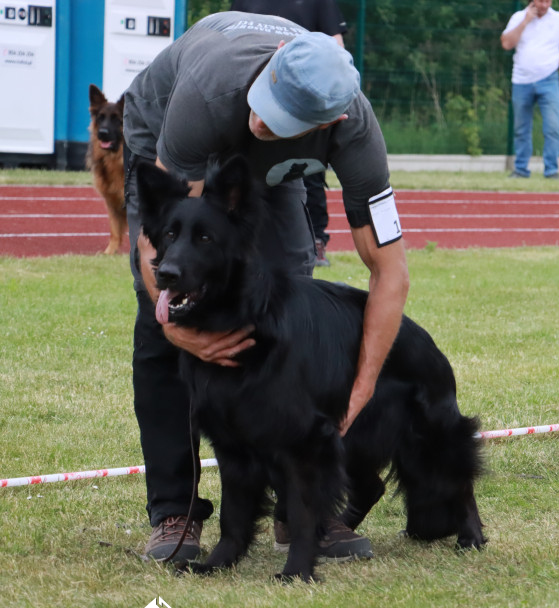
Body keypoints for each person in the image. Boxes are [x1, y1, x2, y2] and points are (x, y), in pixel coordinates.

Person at [123, 12, 409, 562]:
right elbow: (163, 249)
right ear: (272, 68)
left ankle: (298, 509)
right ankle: (174, 511)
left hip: (275, 175)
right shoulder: (213, 93)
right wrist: (180, 333)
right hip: (170, 135)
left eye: (282, 120)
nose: (260, 121)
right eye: (266, 101)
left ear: (334, 119)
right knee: (176, 300)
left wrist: (362, 386)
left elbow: (390, 270)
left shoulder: (355, 129)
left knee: (289, 312)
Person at [229, 0, 351, 267]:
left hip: (304, 97)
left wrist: (329, 94)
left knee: (309, 171)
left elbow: (335, 45)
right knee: (236, 170)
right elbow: (231, 34)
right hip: (254, 89)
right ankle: (235, 240)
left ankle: (316, 239)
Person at [500, 0, 559, 179]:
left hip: (549, 80)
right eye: (541, 1)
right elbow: (506, 44)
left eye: (548, 1)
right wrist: (525, 21)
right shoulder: (518, 17)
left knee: (553, 127)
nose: (544, 5)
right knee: (521, 128)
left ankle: (551, 170)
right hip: (521, 80)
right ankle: (520, 169)